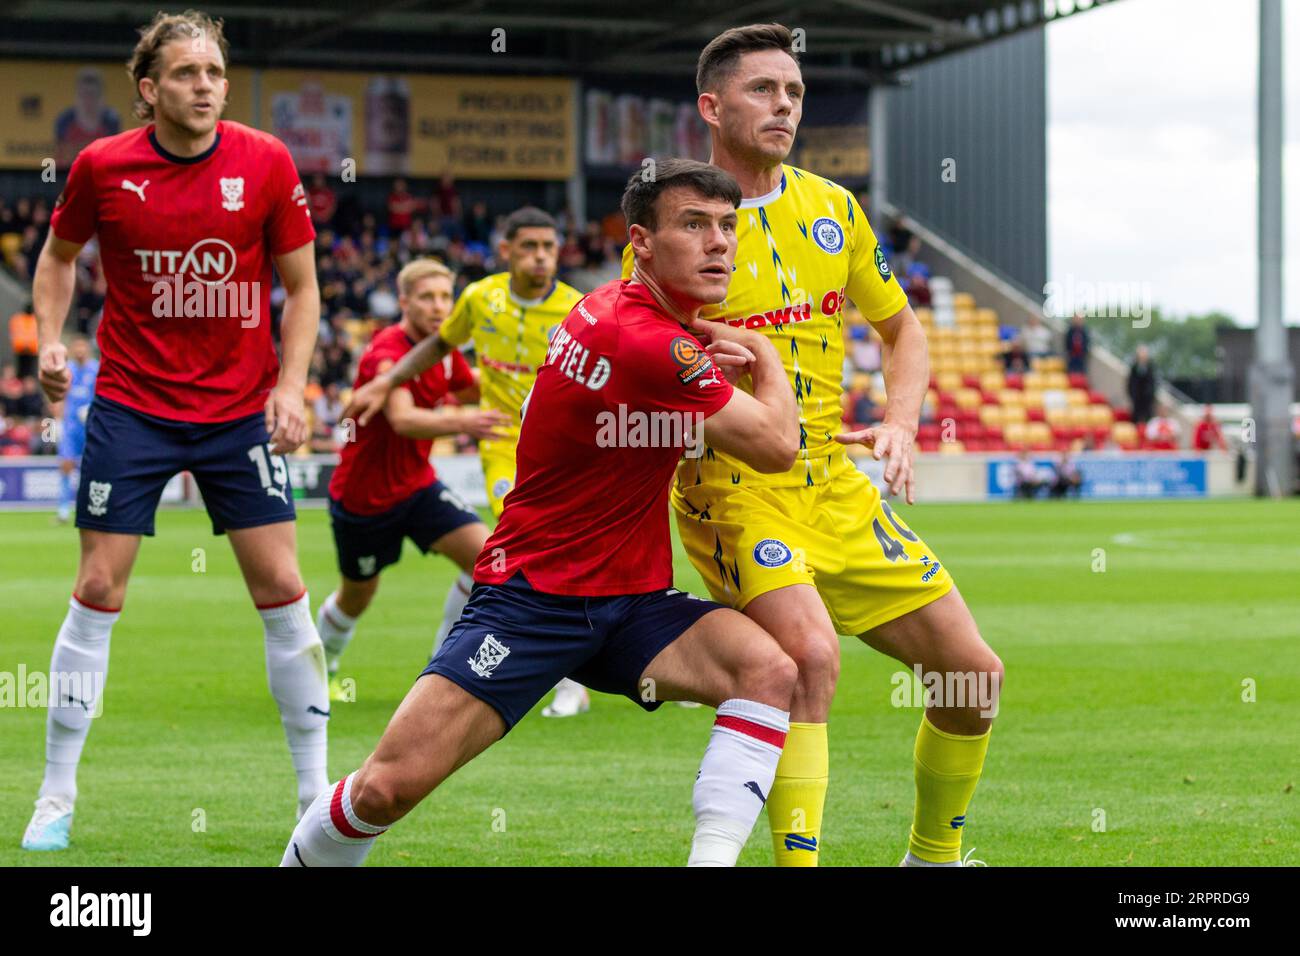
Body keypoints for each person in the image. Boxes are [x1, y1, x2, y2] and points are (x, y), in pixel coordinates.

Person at [286, 159, 801, 867]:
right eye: (694, 224)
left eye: (727, 227)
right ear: (641, 243)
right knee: (383, 790)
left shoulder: (611, 310)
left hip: (630, 600)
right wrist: (769, 359)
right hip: (535, 599)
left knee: (768, 669)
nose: (719, 244)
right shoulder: (650, 340)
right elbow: (777, 446)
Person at [620, 23, 1002, 867]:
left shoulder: (834, 208)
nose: (785, 105)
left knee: (973, 679)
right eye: (764, 89)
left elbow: (903, 333)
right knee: (808, 657)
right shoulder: (677, 228)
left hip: (836, 484)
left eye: (794, 91)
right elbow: (638, 362)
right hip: (735, 485)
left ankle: (933, 859)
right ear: (711, 107)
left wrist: (900, 421)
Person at [22, 10, 328, 851]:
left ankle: (313, 793)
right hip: (131, 405)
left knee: (282, 590)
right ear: (150, 89)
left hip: (239, 412)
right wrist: (51, 338)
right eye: (188, 73)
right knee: (97, 592)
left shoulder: (265, 161)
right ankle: (56, 794)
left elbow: (302, 290)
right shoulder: (101, 166)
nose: (206, 86)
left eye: (217, 73)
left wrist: (294, 386)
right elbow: (57, 259)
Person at [357, 206, 592, 717]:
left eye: (549, 247)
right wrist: (387, 380)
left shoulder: (579, 310)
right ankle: (565, 677)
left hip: (568, 450)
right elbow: (438, 347)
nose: (540, 256)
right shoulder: (480, 298)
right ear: (504, 250)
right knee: (531, 548)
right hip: (505, 447)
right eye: (528, 246)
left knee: (507, 557)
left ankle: (464, 660)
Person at [316, 258, 509, 700]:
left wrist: (519, 365)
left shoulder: (442, 351)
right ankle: (321, 665)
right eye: (427, 297)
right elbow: (403, 420)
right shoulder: (388, 350)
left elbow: (470, 386)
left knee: (487, 561)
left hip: (418, 486)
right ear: (404, 301)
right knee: (356, 596)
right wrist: (467, 422)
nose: (439, 306)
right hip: (365, 500)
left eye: (446, 297)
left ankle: (441, 668)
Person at [54, 335, 98, 524]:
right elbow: (57, 396)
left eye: (83, 347)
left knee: (92, 468)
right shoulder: (67, 370)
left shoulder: (96, 369)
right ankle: (63, 510)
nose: (80, 351)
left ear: (87, 349)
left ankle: (88, 508)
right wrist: (57, 419)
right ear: (72, 350)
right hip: (71, 426)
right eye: (77, 347)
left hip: (91, 424)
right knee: (65, 465)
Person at [1127, 344, 1157, 427]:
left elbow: (1152, 383)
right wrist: (1133, 395)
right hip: (1137, 398)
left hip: (1147, 399)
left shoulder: (1150, 368)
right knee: (1136, 418)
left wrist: (1150, 394)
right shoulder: (1134, 368)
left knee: (1148, 419)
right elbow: (1131, 383)